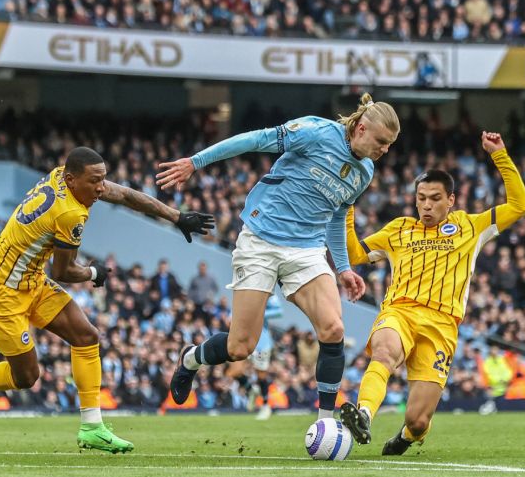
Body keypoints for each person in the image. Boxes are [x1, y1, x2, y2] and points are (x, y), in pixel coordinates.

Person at [0, 147, 214, 453]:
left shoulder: (63, 178)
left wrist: (176, 216)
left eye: (103, 179)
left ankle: (92, 427)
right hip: (1, 292)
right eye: (95, 181)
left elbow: (124, 195)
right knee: (26, 377)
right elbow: (63, 271)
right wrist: (93, 272)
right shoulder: (69, 213)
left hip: (30, 280)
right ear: (72, 180)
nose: (101, 187)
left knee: (86, 336)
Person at [157, 93, 400, 420]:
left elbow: (337, 216)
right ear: (361, 128)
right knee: (240, 348)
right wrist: (196, 162)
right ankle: (191, 358)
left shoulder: (364, 171)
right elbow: (255, 140)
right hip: (261, 241)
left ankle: (325, 424)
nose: (385, 150)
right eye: (382, 142)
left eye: (389, 145)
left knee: (333, 329)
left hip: (307, 250)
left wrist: (343, 268)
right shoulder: (315, 132)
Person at [339, 132, 525, 454]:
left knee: (417, 420)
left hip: (441, 325)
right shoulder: (399, 230)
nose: (426, 204)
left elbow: (520, 205)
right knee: (384, 352)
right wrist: (347, 209)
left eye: (435, 198)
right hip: (399, 311)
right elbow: (355, 254)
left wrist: (499, 155)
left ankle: (407, 436)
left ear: (451, 200)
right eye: (421, 198)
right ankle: (364, 414)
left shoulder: (471, 227)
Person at [248, 295, 283, 421]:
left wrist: (259, 314)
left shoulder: (268, 294)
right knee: (233, 370)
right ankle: (251, 389)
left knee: (261, 376)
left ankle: (265, 406)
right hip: (243, 341)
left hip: (261, 343)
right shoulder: (242, 291)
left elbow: (279, 311)